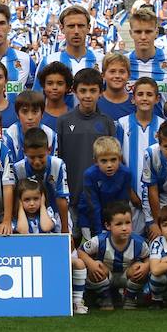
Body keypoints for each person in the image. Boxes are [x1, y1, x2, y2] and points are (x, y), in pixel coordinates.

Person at [56, 67, 116, 229]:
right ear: (74, 91)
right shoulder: (63, 121)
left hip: (100, 198)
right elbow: (59, 159)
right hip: (71, 196)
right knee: (72, 239)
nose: (88, 96)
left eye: (93, 91)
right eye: (83, 91)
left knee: (99, 240)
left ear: (101, 92)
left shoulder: (107, 122)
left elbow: (113, 161)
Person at [77, 201, 150, 311]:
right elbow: (80, 251)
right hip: (107, 275)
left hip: (126, 276)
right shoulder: (100, 240)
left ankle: (130, 298)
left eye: (128, 223)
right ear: (108, 226)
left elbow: (148, 257)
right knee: (97, 265)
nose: (124, 228)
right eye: (119, 224)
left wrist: (146, 266)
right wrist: (91, 263)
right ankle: (105, 298)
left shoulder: (139, 243)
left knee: (140, 267)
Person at [5, 128, 71, 238]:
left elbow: (62, 198)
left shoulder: (58, 165)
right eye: (32, 157)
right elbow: (16, 198)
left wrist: (65, 229)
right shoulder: (18, 168)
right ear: (24, 152)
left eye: (41, 156)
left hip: (55, 213)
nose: (36, 161)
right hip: (27, 215)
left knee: (65, 244)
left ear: (49, 150)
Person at [117, 76, 164, 226]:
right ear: (133, 99)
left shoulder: (163, 126)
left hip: (158, 197)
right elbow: (118, 161)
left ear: (157, 99)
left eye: (149, 94)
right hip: (130, 197)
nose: (144, 98)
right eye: (140, 94)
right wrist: (130, 192)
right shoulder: (122, 124)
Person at [76, 137, 139, 241]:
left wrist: (116, 225)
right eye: (104, 161)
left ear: (120, 159)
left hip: (113, 214)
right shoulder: (89, 175)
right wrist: (98, 233)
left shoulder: (126, 174)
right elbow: (93, 205)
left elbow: (122, 203)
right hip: (89, 216)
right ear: (96, 161)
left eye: (113, 160)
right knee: (96, 244)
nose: (109, 165)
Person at [126, 6, 167, 100]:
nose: (143, 37)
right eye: (138, 32)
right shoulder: (123, 63)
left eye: (148, 32)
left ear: (156, 32)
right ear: (131, 33)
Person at [38, 6, 100, 80]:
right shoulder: (48, 62)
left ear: (88, 28)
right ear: (62, 28)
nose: (76, 31)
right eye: (71, 26)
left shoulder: (101, 61)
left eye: (81, 26)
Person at [4, 90, 57, 160]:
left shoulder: (51, 136)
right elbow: (9, 165)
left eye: (35, 112)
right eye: (25, 112)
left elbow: (53, 164)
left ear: (42, 114)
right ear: (17, 114)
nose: (30, 117)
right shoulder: (10, 136)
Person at [97, 53, 135, 121]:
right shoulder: (95, 102)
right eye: (112, 71)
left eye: (122, 72)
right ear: (103, 75)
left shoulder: (136, 103)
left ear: (129, 76)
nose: (117, 76)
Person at [37, 61, 72, 125]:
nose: (54, 87)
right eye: (50, 83)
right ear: (43, 86)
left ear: (67, 87)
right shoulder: (36, 116)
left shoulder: (75, 116)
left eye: (60, 83)